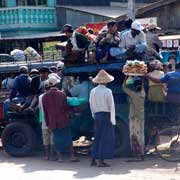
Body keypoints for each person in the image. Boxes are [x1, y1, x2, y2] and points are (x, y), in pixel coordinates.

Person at [42, 76, 79, 162]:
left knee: (56, 139)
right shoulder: (62, 94)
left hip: (52, 122)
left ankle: (59, 157)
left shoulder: (44, 97)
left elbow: (45, 112)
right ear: (56, 84)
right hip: (63, 120)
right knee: (68, 138)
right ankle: (71, 156)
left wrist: (48, 124)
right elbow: (66, 108)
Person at [89, 70, 115, 167]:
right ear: (106, 81)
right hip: (106, 115)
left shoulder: (93, 91)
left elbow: (91, 104)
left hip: (96, 115)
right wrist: (112, 119)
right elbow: (111, 106)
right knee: (105, 138)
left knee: (97, 137)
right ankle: (101, 160)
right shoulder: (108, 91)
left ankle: (93, 158)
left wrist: (94, 114)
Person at [123, 76, 145, 160]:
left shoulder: (133, 94)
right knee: (141, 136)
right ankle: (141, 154)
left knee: (134, 136)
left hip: (134, 118)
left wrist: (125, 78)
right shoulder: (143, 94)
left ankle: (137, 155)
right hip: (141, 118)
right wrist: (141, 78)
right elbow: (141, 86)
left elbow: (124, 87)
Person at [39, 80, 55, 160]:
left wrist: (41, 119)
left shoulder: (40, 97)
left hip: (44, 121)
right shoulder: (52, 95)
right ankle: (52, 156)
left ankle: (46, 155)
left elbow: (40, 109)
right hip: (52, 120)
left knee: (45, 139)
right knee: (52, 138)